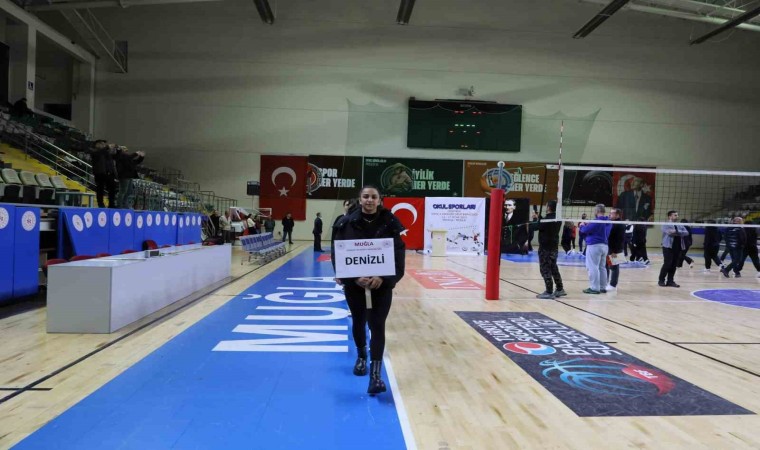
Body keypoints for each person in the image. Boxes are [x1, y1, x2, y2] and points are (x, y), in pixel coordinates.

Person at [332, 185, 405, 395]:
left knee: (377, 325)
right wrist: (353, 277)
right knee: (359, 320)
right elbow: (338, 253)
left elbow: (399, 255)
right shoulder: (345, 223)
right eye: (366, 196)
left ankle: (375, 376)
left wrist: (383, 277)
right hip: (354, 286)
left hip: (381, 286)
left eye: (374, 197)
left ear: (380, 200)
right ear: (360, 199)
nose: (370, 200)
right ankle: (362, 356)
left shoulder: (390, 223)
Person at [529, 201, 566, 299]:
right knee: (553, 267)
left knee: (545, 269)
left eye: (546, 206)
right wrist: (539, 217)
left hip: (545, 248)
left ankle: (549, 291)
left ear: (548, 207)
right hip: (554, 247)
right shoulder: (557, 219)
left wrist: (534, 219)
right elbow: (545, 223)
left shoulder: (546, 220)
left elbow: (534, 227)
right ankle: (560, 289)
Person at [579, 204, 611, 294]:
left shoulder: (596, 221)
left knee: (592, 266)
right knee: (602, 267)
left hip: (594, 245)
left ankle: (594, 288)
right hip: (605, 246)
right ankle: (602, 287)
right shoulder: (608, 221)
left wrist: (581, 225)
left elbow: (585, 230)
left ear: (597, 211)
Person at [659, 210, 689, 287]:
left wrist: (676, 231)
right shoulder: (665, 224)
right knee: (667, 264)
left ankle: (670, 281)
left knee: (674, 265)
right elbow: (669, 233)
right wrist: (679, 232)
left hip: (678, 247)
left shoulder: (679, 224)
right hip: (668, 247)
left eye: (677, 215)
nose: (677, 216)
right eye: (675, 215)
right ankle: (661, 280)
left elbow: (686, 232)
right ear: (670, 216)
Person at [87, 140, 117, 208]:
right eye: (101, 144)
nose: (103, 145)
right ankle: (100, 203)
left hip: (109, 173)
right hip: (99, 173)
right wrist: (107, 147)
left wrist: (118, 149)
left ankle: (111, 204)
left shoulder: (106, 152)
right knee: (100, 189)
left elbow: (115, 157)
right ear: (97, 145)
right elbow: (100, 152)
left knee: (112, 189)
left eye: (104, 144)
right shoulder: (94, 151)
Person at [606, 208, 626, 292]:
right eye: (610, 213)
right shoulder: (612, 223)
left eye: (612, 213)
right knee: (606, 266)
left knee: (614, 267)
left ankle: (613, 285)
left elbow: (618, 239)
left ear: (617, 215)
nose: (610, 214)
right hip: (610, 248)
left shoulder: (619, 224)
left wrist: (615, 251)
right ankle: (606, 283)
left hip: (615, 249)